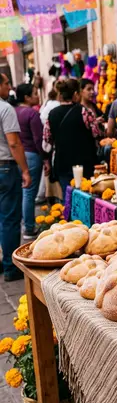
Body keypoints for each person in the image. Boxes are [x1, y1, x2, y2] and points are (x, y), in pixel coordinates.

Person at [0, 74, 31, 281]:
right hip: (5, 167)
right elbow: (13, 143)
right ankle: (10, 267)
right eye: (6, 83)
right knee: (10, 218)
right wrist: (25, 170)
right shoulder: (5, 108)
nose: (9, 86)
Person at [47, 79, 99, 194]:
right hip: (85, 162)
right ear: (75, 94)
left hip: (62, 163)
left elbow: (47, 139)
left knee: (68, 197)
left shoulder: (52, 114)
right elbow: (96, 134)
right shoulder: (85, 112)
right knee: (85, 195)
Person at [15, 83, 47, 240]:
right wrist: (45, 158)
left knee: (22, 191)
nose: (37, 96)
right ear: (27, 97)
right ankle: (28, 227)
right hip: (32, 155)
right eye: (35, 93)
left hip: (17, 155)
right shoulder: (31, 114)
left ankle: (24, 224)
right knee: (29, 192)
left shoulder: (13, 112)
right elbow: (38, 139)